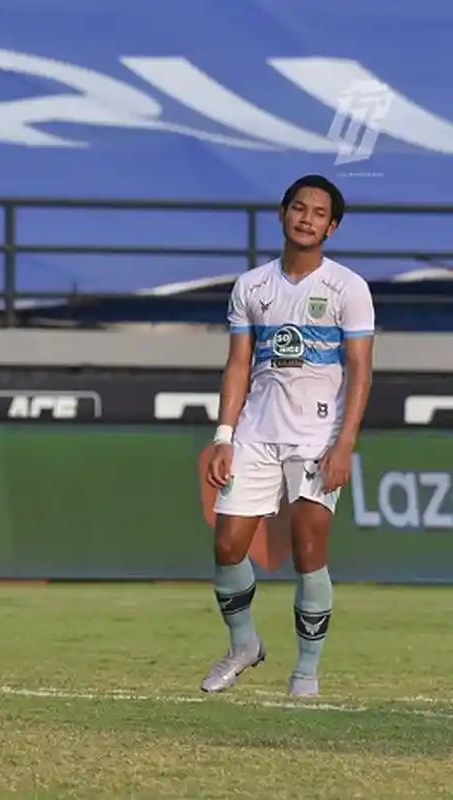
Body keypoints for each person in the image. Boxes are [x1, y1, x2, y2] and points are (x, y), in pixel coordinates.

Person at [201, 174, 374, 698]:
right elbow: (238, 364)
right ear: (283, 214)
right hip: (256, 433)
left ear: (332, 227)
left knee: (308, 548)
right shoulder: (251, 286)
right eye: (299, 208)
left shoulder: (348, 288)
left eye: (319, 213)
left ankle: (306, 672)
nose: (307, 219)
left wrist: (344, 444)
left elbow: (361, 371)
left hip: (317, 437)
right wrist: (224, 435)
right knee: (228, 545)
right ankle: (244, 645)